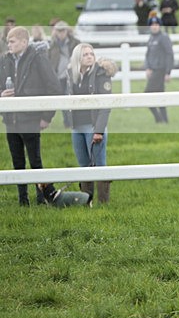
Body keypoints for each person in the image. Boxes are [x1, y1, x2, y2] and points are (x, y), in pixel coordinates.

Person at [0, 26, 63, 206]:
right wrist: (2, 95)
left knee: (35, 160)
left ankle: (41, 198)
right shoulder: (5, 60)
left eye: (12, 41)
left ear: (24, 42)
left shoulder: (38, 58)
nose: (9, 45)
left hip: (30, 118)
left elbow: (54, 87)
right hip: (11, 119)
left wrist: (47, 116)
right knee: (17, 161)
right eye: (8, 41)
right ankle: (23, 200)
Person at [67, 43, 116, 203]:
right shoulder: (72, 74)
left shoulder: (101, 74)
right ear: (77, 58)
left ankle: (103, 202)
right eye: (85, 54)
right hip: (77, 127)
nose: (89, 57)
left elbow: (105, 106)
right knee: (83, 164)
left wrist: (99, 131)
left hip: (94, 126)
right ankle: (86, 201)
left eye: (91, 54)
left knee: (99, 164)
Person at [48, 20, 80, 126]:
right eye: (59, 31)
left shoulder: (75, 42)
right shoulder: (52, 44)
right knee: (62, 98)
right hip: (58, 75)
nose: (61, 33)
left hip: (72, 75)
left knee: (70, 96)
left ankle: (72, 120)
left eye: (63, 31)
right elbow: (49, 59)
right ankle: (67, 121)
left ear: (67, 31)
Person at [144, 16, 173, 123]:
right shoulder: (151, 38)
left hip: (160, 70)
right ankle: (164, 120)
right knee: (160, 96)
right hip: (153, 71)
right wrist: (147, 68)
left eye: (156, 25)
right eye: (152, 25)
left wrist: (168, 72)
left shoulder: (163, 37)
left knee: (147, 94)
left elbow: (169, 54)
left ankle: (159, 118)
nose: (154, 27)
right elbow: (147, 55)